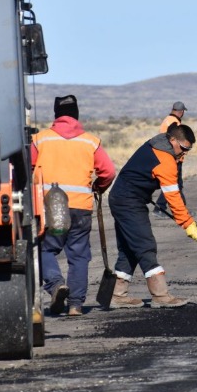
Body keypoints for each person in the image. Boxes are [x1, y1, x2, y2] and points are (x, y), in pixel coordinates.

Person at [31, 95, 116, 316]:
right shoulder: (90, 141)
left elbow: (26, 168)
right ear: (76, 114)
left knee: (44, 249)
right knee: (78, 255)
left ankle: (56, 284)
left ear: (56, 114)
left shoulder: (40, 139)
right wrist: (98, 188)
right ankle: (76, 305)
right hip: (81, 208)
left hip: (51, 208)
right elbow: (108, 171)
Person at [108, 123, 197, 308]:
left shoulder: (158, 144)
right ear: (172, 140)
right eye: (183, 148)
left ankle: (117, 295)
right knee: (145, 245)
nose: (184, 153)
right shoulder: (164, 159)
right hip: (127, 201)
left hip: (125, 198)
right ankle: (160, 295)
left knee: (129, 248)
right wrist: (187, 223)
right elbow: (173, 196)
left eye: (188, 150)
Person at [154, 101, 188, 218]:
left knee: (176, 184)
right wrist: (178, 155)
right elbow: (173, 140)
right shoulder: (174, 122)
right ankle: (160, 208)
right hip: (173, 157)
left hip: (166, 155)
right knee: (173, 183)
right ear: (181, 111)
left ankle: (180, 210)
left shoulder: (167, 120)